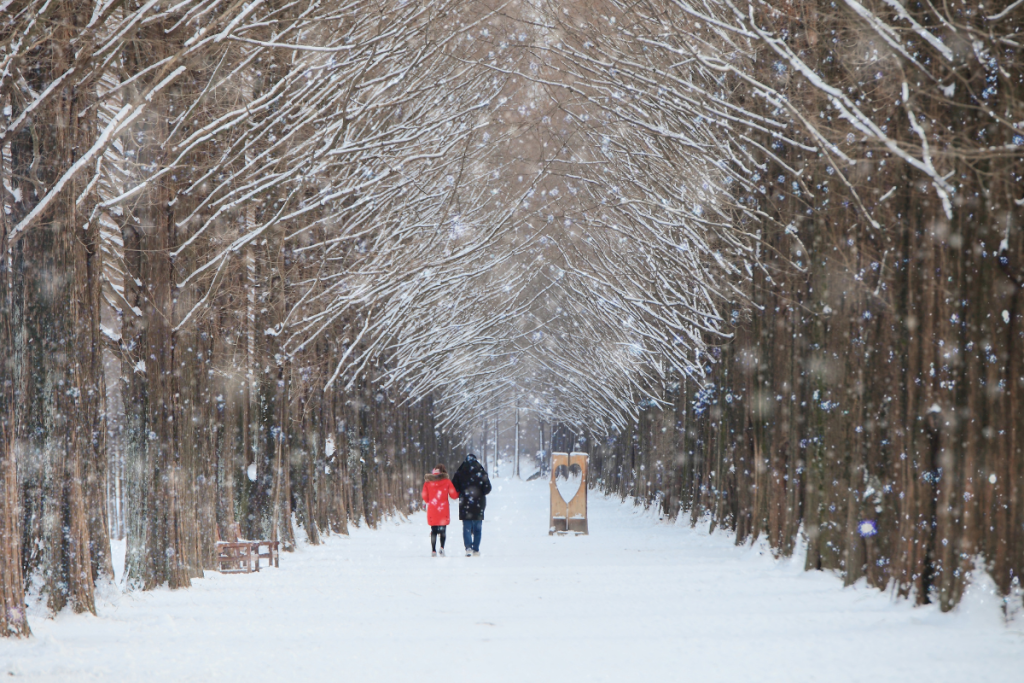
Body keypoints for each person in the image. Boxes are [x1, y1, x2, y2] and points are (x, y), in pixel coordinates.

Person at [450, 453, 492, 556]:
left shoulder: (460, 472)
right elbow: (488, 489)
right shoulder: (481, 472)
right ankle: (476, 549)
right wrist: (481, 491)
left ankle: (468, 547)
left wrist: (462, 490)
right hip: (478, 503)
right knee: (478, 528)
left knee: (467, 527)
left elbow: (454, 487)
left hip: (465, 502)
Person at [422, 464, 458, 557]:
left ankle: (433, 550)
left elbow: (424, 495)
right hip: (443, 509)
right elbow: (453, 495)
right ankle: (442, 548)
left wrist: (429, 501)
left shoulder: (428, 482)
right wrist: (459, 492)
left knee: (433, 530)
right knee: (442, 530)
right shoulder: (447, 482)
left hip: (433, 508)